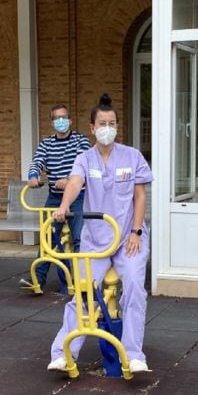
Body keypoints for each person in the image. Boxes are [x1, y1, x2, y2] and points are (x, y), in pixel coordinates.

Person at [47, 94, 153, 374]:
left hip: (129, 237)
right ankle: (63, 353)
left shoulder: (132, 156)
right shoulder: (85, 159)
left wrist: (136, 231)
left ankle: (133, 354)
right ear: (92, 128)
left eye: (112, 123)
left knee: (133, 289)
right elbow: (74, 182)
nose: (108, 127)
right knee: (83, 293)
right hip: (96, 239)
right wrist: (64, 205)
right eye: (102, 123)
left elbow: (140, 196)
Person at [21, 103, 90, 294]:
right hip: (55, 197)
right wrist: (33, 176)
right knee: (47, 237)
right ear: (51, 121)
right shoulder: (46, 143)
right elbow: (38, 161)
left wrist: (69, 180)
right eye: (57, 118)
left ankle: (81, 281)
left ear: (70, 120)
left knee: (79, 238)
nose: (61, 121)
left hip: (78, 196)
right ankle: (37, 280)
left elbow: (82, 163)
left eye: (64, 117)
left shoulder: (80, 141)